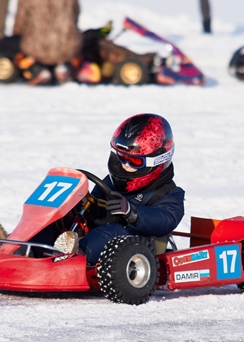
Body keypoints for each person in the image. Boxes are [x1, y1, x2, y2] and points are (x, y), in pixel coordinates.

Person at [54, 114, 186, 266]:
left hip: (139, 248)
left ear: (158, 160)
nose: (125, 165)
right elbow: (96, 214)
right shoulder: (111, 182)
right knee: (61, 219)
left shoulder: (170, 193)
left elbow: (164, 220)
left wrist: (132, 213)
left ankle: (73, 259)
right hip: (100, 236)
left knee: (112, 232)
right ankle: (28, 250)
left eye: (134, 160)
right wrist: (82, 204)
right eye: (121, 157)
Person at [12, 0, 82, 85]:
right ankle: (62, 67)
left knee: (26, 49)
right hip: (65, 43)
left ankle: (38, 69)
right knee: (71, 43)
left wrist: (17, 33)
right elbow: (76, 11)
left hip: (36, 44)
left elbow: (21, 17)